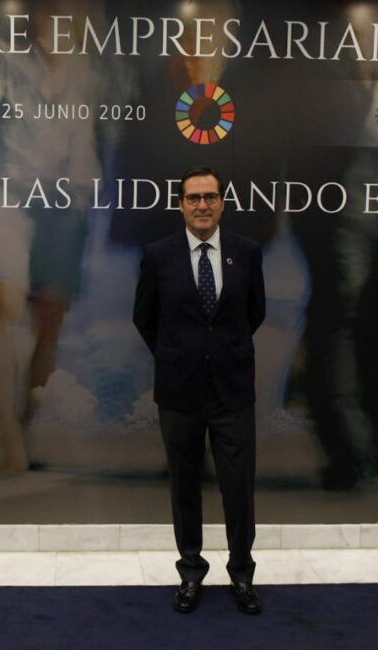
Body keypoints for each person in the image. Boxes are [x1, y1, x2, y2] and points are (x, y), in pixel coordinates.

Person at [133, 166, 265, 615]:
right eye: (193, 198)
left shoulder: (246, 252)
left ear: (222, 203)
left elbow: (255, 313)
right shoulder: (158, 255)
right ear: (181, 205)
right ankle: (191, 572)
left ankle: (242, 574)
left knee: (238, 488)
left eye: (210, 197)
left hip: (232, 391)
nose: (202, 205)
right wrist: (176, 353)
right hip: (179, 391)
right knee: (185, 487)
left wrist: (220, 350)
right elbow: (143, 317)